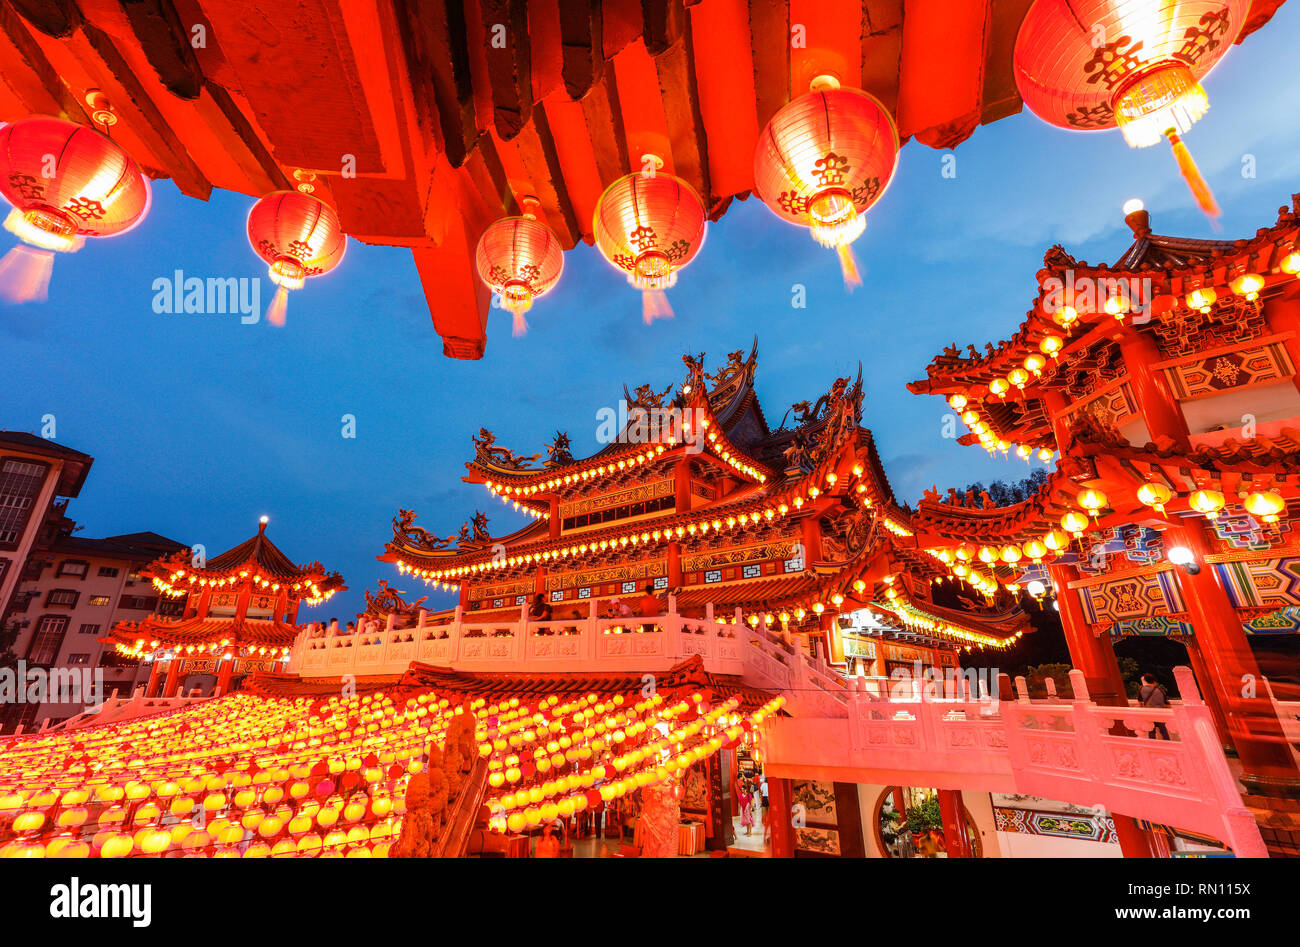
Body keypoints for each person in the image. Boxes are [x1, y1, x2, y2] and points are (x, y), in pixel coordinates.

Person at [1139, 673, 1170, 739]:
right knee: (1164, 731)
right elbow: (1167, 704)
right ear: (1154, 681)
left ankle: (1153, 745)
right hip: (1160, 714)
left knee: (1151, 731)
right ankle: (1169, 745)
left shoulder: (1141, 689)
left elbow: (1140, 703)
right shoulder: (1159, 690)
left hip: (1149, 713)